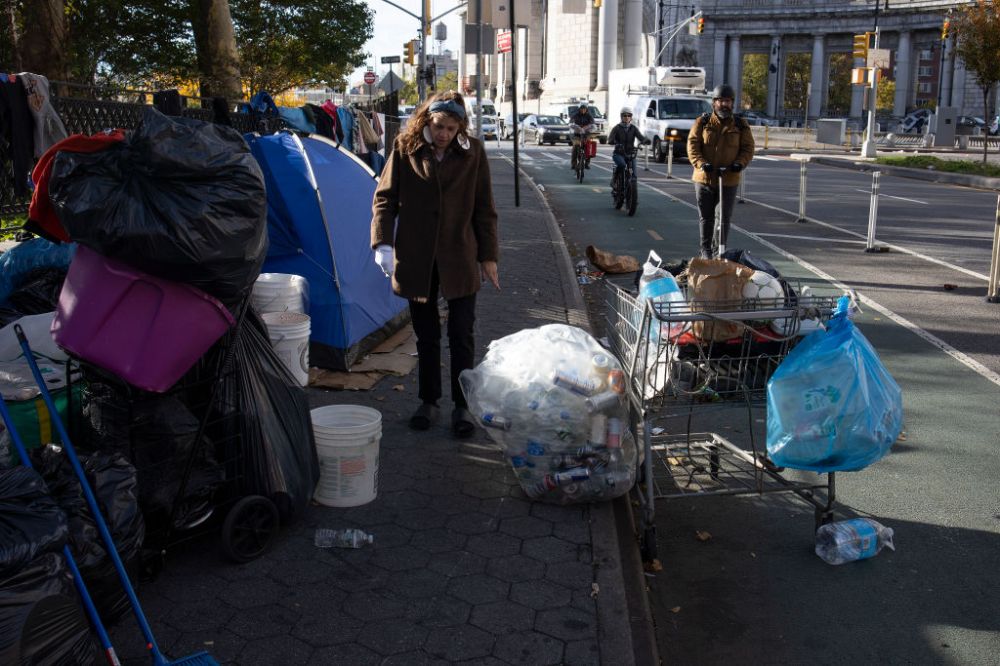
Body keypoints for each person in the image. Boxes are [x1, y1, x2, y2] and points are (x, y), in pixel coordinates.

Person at [371, 91, 500, 438]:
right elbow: (385, 199)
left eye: (450, 126)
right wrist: (383, 243)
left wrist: (488, 257)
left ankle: (462, 406)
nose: (443, 133)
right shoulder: (405, 147)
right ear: (427, 120)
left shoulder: (472, 153)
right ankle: (428, 400)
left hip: (459, 255)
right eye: (438, 125)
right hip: (417, 256)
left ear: (461, 125)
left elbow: (485, 208)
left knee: (462, 335)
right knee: (426, 336)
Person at [686, 84, 754, 259]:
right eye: (721, 101)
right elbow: (693, 146)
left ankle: (719, 251)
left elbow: (748, 148)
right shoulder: (702, 122)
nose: (725, 104)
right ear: (714, 102)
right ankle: (705, 250)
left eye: (728, 101)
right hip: (704, 178)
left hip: (728, 179)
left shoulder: (740, 124)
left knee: (723, 217)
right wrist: (701, 163)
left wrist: (740, 163)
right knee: (706, 217)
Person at [607, 106, 649, 191]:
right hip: (618, 154)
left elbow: (640, 137)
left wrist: (645, 140)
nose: (627, 117)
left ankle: (632, 197)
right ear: (621, 117)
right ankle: (614, 180)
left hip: (630, 154)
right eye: (624, 115)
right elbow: (610, 139)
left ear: (631, 117)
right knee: (622, 165)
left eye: (629, 115)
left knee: (634, 176)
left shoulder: (633, 128)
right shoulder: (617, 128)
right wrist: (614, 142)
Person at [569, 103, 596, 169]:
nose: (583, 110)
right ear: (579, 109)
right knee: (575, 146)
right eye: (581, 108)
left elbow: (593, 124)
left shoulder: (589, 116)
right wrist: (577, 127)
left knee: (589, 146)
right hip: (577, 135)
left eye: (584, 108)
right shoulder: (575, 115)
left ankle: (587, 163)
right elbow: (571, 123)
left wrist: (588, 127)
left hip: (586, 135)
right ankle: (573, 164)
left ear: (586, 109)